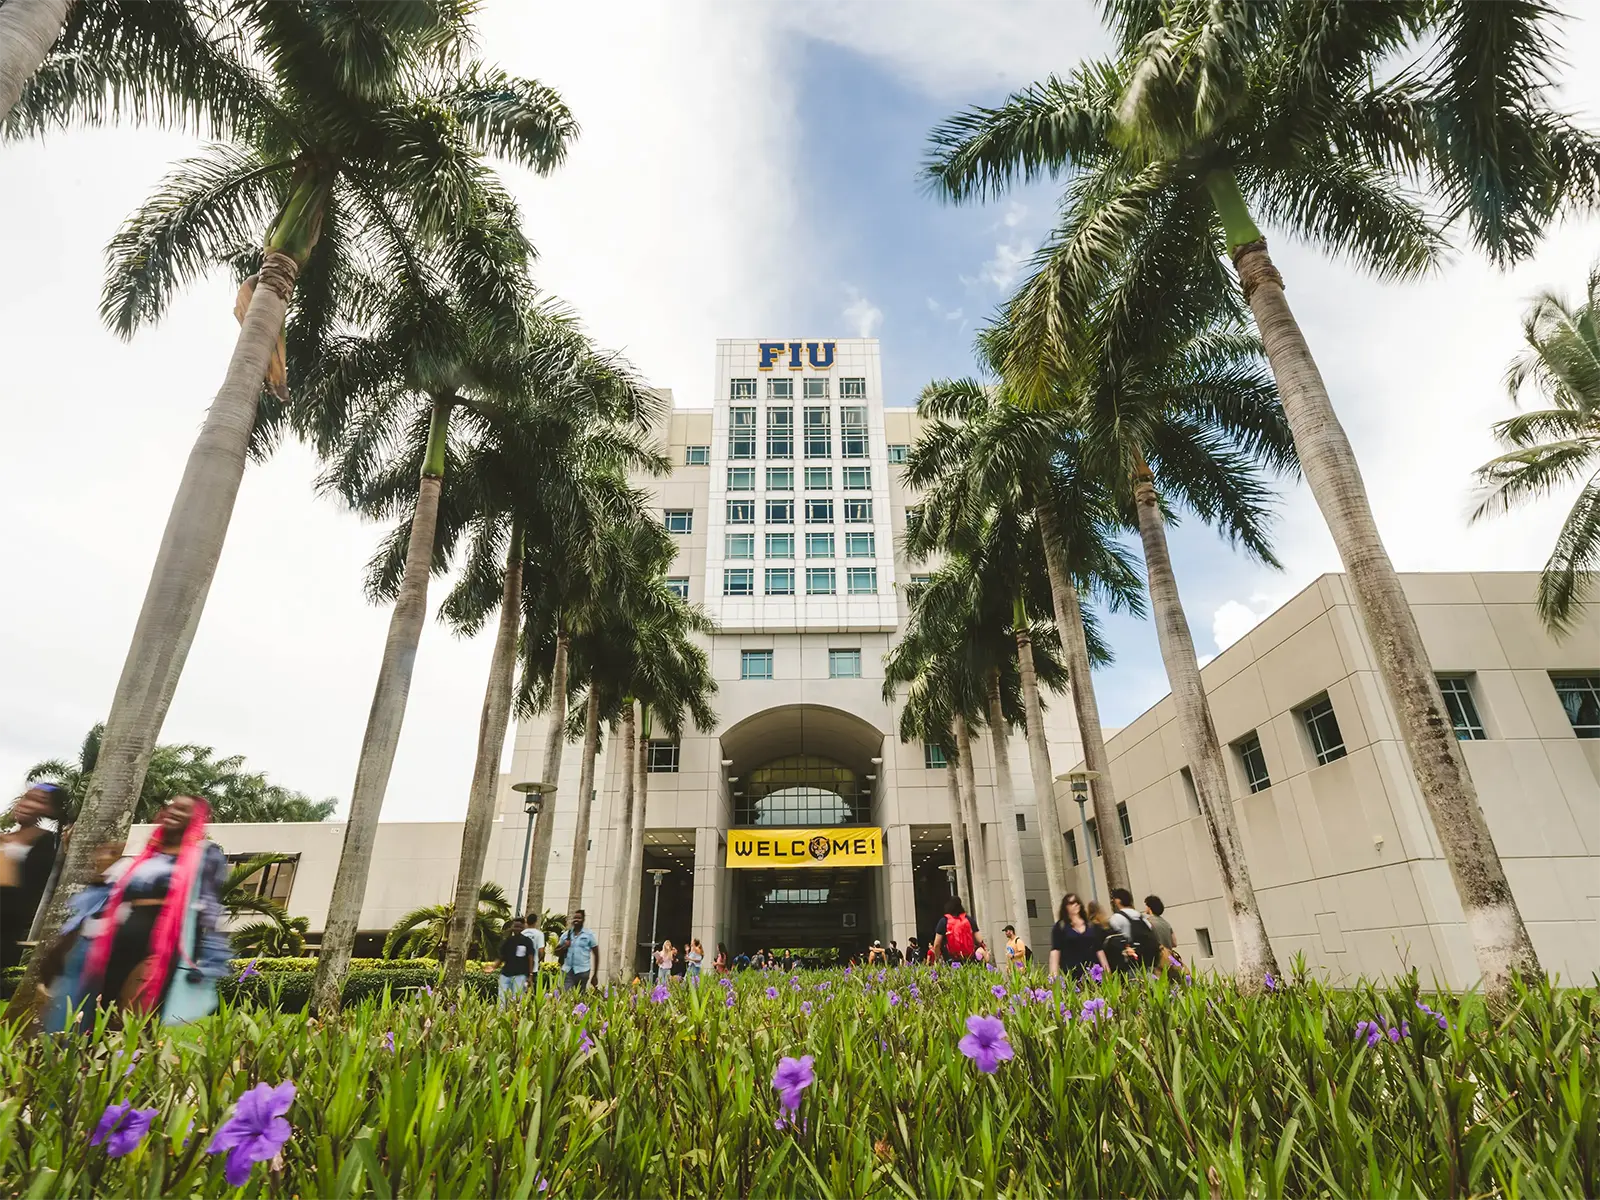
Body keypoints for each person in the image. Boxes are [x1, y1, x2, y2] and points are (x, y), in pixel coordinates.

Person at [75, 795, 230, 1025]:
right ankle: (95, 1058)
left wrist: (210, 957)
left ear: (196, 818)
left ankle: (130, 1058)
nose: (174, 812)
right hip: (121, 937)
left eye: (183, 809)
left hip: (159, 943)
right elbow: (111, 895)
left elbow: (208, 906)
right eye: (171, 807)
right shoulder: (149, 854)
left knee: (135, 1010)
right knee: (103, 1005)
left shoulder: (205, 855)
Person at [1, 784, 61, 970]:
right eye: (26, 797)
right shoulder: (6, 838)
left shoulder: (49, 843)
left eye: (38, 801)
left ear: (50, 810)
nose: (26, 804)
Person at [1049, 893, 1108, 981]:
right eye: (1071, 903)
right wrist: (1054, 976)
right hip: (1071, 972)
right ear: (1066, 907)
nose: (1075, 905)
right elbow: (1055, 951)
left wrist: (1107, 972)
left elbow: (1099, 950)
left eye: (1077, 902)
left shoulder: (1091, 926)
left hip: (1092, 972)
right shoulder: (1060, 927)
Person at [1107, 887, 1161, 972]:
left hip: (1130, 962)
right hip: (1147, 960)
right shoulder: (1141, 917)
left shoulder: (1116, 918)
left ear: (1117, 901)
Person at [556, 908, 599, 991]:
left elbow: (596, 955)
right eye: (575, 918)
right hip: (567, 971)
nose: (576, 920)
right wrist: (564, 946)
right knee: (566, 995)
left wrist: (595, 974)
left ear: (583, 920)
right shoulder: (566, 935)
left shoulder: (589, 935)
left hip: (583, 971)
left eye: (579, 918)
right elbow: (556, 952)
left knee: (579, 996)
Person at [930, 896, 983, 962]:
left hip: (951, 961)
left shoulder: (944, 921)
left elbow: (937, 944)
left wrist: (937, 959)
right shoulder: (969, 920)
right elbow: (980, 940)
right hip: (969, 960)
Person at [1143, 895, 1185, 980]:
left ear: (1149, 907)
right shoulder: (1166, 923)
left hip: (1156, 962)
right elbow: (1174, 943)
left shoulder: (1148, 923)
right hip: (1169, 961)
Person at [495, 918, 532, 1005]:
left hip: (520, 975)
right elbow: (501, 956)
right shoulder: (508, 940)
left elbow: (531, 958)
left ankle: (515, 1016)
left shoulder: (527, 941)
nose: (517, 929)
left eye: (519, 927)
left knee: (517, 998)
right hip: (505, 974)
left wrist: (530, 975)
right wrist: (493, 967)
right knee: (502, 998)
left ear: (523, 927)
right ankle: (501, 1015)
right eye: (515, 926)